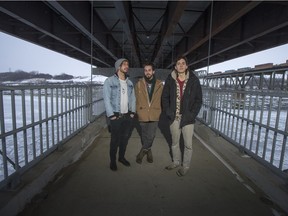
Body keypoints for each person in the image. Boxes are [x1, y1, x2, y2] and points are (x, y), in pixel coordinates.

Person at [161, 56, 202, 176]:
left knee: (188, 145)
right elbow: (165, 97)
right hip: (174, 117)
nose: (181, 65)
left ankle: (186, 166)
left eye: (183, 63)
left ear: (187, 66)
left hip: (187, 119)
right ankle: (176, 162)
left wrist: (192, 114)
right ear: (175, 67)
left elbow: (198, 100)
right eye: (178, 63)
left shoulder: (194, 80)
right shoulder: (170, 79)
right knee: (174, 142)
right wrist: (168, 112)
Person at [103, 58, 136, 171]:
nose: (127, 66)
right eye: (124, 64)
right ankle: (112, 161)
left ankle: (121, 158)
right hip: (115, 115)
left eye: (127, 64)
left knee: (124, 139)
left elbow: (133, 99)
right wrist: (111, 115)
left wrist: (132, 112)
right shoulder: (109, 81)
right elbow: (106, 99)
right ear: (118, 67)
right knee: (115, 140)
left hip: (127, 116)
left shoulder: (130, 83)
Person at [135, 62, 163, 164]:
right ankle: (149, 151)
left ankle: (142, 153)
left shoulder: (159, 84)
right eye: (146, 70)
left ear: (153, 71)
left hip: (154, 114)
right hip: (142, 114)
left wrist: (161, 111)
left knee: (151, 136)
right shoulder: (138, 84)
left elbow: (162, 100)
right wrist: (137, 111)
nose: (147, 72)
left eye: (149, 70)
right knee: (144, 135)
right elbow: (135, 99)